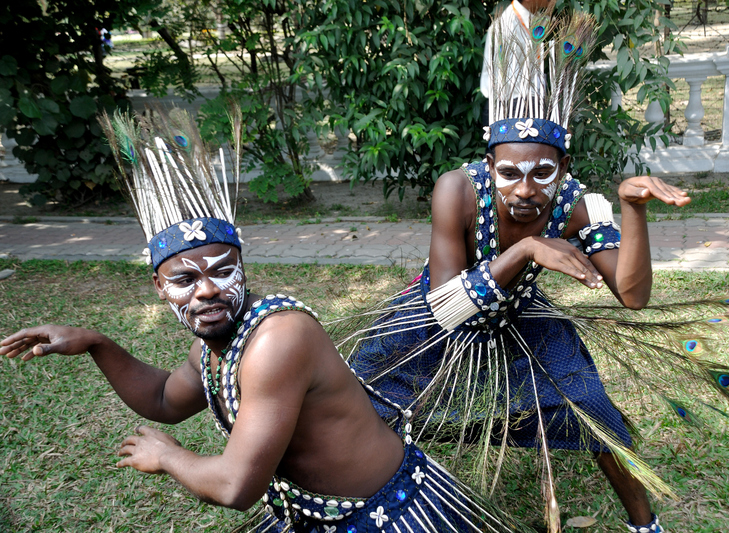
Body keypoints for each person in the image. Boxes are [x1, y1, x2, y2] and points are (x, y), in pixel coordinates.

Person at [0, 108, 538, 533]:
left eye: (222, 271)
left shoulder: (278, 338)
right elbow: (165, 400)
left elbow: (237, 487)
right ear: (159, 288)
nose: (208, 289)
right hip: (311, 514)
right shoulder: (212, 345)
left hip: (385, 516)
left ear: (242, 268)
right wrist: (98, 343)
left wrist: (169, 458)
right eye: (186, 281)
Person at [338, 7, 729, 533]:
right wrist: (525, 250)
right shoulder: (457, 189)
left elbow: (632, 296)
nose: (526, 190)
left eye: (543, 173)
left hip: (520, 317)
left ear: (564, 169)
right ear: (488, 167)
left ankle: (646, 524)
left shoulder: (579, 204)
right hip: (435, 317)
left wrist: (633, 208)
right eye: (509, 173)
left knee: (594, 412)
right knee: (361, 401)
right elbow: (444, 306)